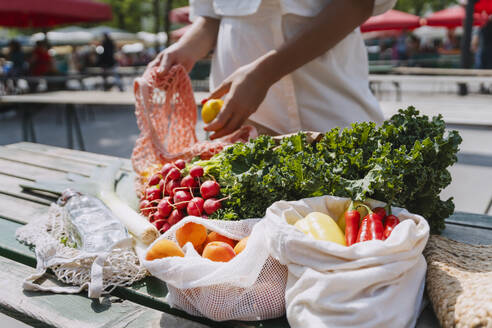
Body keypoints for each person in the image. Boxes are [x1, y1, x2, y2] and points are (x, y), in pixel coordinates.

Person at [150, 0, 396, 139]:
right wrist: (186, 48)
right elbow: (211, 16)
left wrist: (263, 74)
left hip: (329, 117)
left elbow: (358, 5)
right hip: (241, 129)